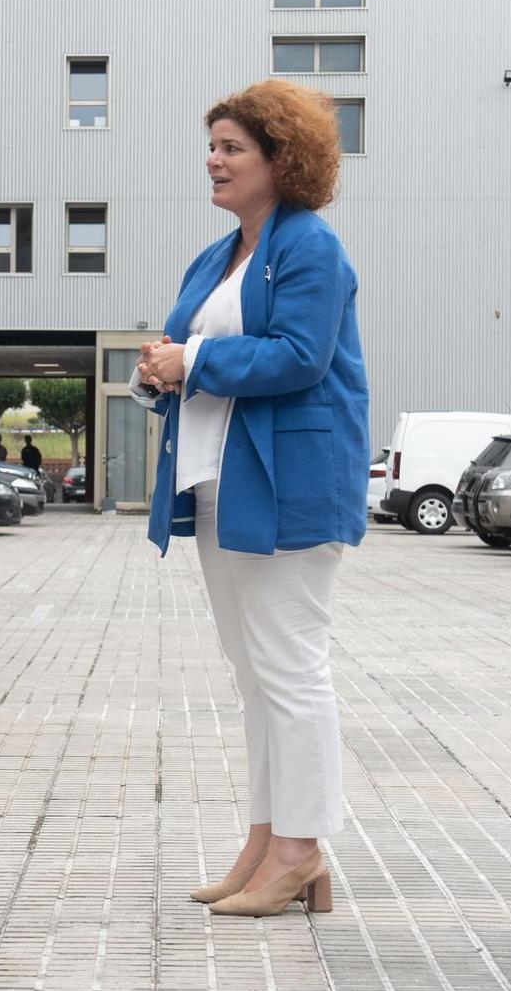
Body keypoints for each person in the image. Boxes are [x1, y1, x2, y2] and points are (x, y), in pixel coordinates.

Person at [136, 78, 367, 919]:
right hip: (221, 481)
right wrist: (158, 368)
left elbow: (302, 356)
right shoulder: (219, 252)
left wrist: (191, 362)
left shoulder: (311, 247)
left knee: (291, 667)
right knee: (254, 672)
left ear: (282, 158)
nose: (215, 158)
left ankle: (302, 850)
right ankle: (269, 839)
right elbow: (184, 342)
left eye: (233, 146)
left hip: (291, 485)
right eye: (214, 144)